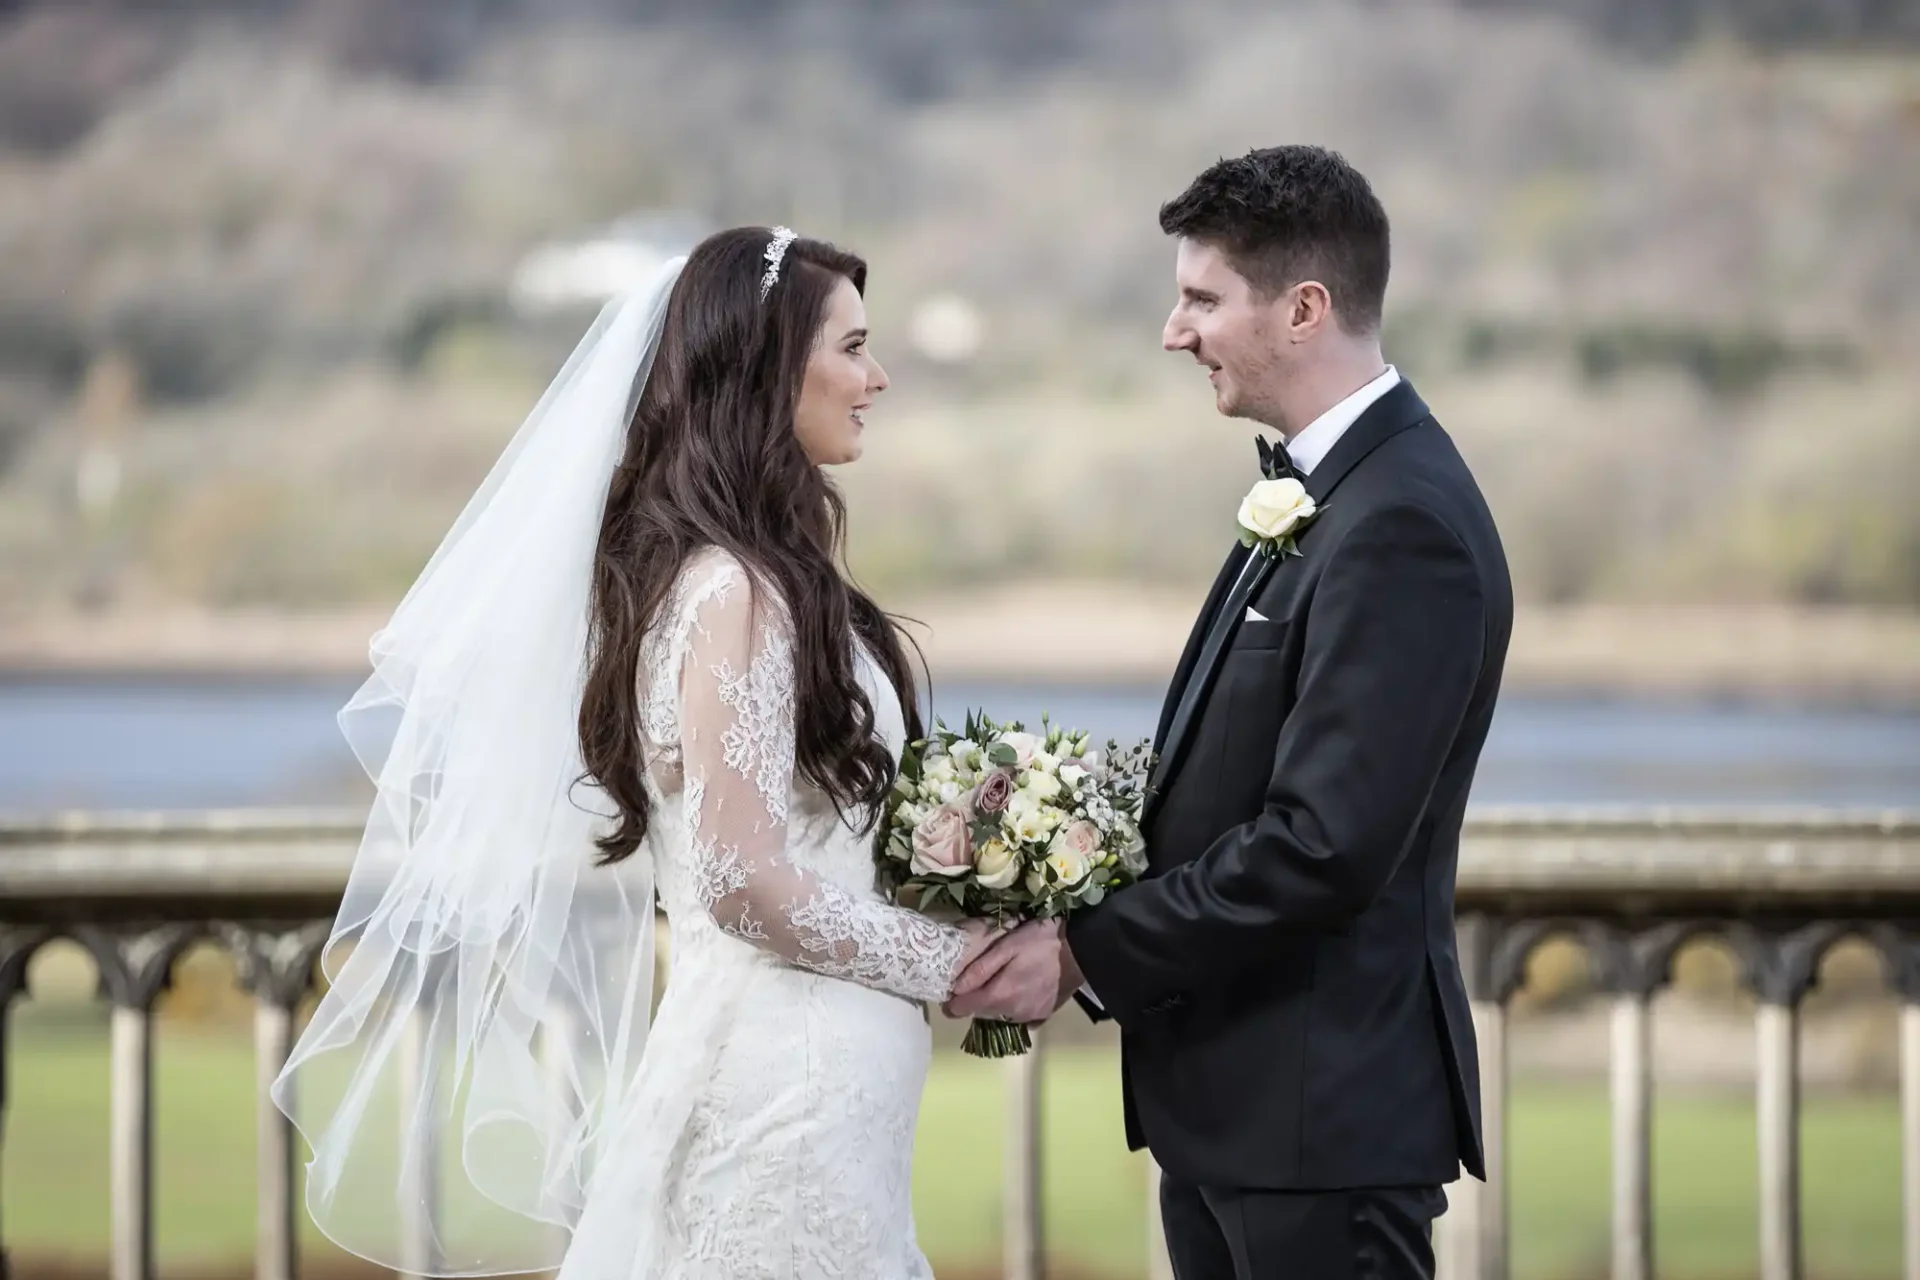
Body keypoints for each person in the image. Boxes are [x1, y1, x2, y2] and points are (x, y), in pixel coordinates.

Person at [274, 226, 994, 1280]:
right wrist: (960, 962)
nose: (876, 377)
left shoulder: (735, 580)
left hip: (821, 1083)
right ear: (764, 365)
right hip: (783, 1084)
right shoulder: (735, 594)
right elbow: (742, 877)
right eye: (852, 347)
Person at [948, 146, 1515, 1280]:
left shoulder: (1403, 522)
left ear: (1304, 308)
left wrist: (1083, 951)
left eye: (1203, 298)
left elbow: (1322, 847)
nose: (1175, 329)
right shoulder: (1329, 492)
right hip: (1245, 1120)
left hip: (1319, 1126)